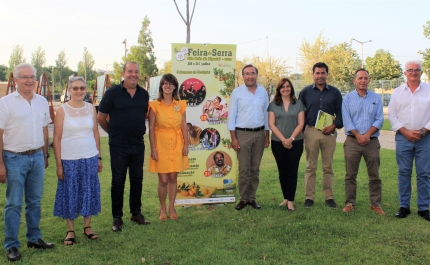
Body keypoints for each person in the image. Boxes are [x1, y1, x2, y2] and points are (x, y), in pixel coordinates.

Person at [0, 63, 54, 262]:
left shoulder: (41, 101)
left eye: (32, 76)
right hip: (14, 158)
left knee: (35, 201)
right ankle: (11, 245)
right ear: (15, 80)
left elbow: (44, 127)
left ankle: (34, 238)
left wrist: (45, 155)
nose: (30, 80)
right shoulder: (5, 103)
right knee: (13, 204)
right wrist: (1, 164)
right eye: (24, 77)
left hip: (37, 157)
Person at [97, 61, 150, 232]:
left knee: (137, 180)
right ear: (123, 73)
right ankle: (117, 217)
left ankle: (136, 213)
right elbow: (100, 117)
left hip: (138, 144)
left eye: (136, 72)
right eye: (130, 71)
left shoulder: (144, 94)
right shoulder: (112, 93)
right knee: (118, 181)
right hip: (118, 145)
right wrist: (112, 132)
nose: (133, 74)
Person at [53, 76, 102, 245]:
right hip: (69, 159)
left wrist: (99, 157)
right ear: (69, 90)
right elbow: (57, 137)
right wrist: (59, 165)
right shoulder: (62, 110)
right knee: (70, 192)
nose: (79, 91)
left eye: (82, 88)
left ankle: (87, 227)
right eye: (75, 88)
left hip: (89, 156)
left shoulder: (90, 109)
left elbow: (95, 133)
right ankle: (70, 230)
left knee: (88, 190)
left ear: (85, 90)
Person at [388, 60, 430, 221]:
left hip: (425, 138)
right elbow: (392, 115)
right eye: (410, 70)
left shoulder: (428, 90)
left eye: (417, 70)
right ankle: (404, 206)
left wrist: (423, 131)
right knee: (404, 172)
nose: (413, 72)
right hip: (403, 137)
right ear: (405, 73)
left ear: (421, 72)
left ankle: (423, 208)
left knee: (424, 174)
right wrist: (405, 132)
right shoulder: (398, 92)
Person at [298, 62, 343, 209]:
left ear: (327, 74)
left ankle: (329, 197)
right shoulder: (305, 92)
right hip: (311, 132)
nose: (320, 76)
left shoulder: (335, 92)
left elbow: (341, 114)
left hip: (329, 134)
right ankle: (309, 198)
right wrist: (303, 131)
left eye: (323, 73)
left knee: (327, 167)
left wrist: (334, 126)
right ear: (313, 74)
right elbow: (300, 114)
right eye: (317, 73)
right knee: (310, 167)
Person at [341, 69, 385, 215]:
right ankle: (350, 203)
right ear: (354, 81)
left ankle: (375, 204)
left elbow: (379, 119)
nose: (363, 81)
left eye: (366, 78)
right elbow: (347, 120)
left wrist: (366, 135)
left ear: (369, 80)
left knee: (374, 175)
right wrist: (358, 135)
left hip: (371, 141)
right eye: (360, 78)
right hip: (353, 141)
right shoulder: (347, 99)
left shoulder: (376, 98)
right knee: (350, 175)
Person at [228, 64, 269, 210]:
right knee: (244, 169)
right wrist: (234, 138)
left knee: (255, 169)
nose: (250, 76)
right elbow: (231, 115)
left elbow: (266, 114)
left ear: (257, 75)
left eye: (252, 73)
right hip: (242, 134)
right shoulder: (237, 93)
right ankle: (243, 199)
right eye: (246, 74)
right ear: (243, 76)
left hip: (259, 133)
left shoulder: (263, 92)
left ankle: (252, 198)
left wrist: (266, 135)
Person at [148, 74, 189, 221]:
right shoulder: (154, 105)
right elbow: (151, 128)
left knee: (173, 177)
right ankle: (162, 208)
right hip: (161, 143)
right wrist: (153, 149)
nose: (168, 86)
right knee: (163, 179)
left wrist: (186, 144)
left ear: (175, 87)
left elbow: (184, 125)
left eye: (171, 84)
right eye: (165, 83)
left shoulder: (181, 104)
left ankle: (172, 207)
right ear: (161, 86)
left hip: (177, 143)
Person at [268, 78, 305, 211]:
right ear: (279, 89)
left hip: (296, 142)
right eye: (282, 87)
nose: (285, 89)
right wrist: (284, 139)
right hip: (278, 143)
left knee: (292, 172)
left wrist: (291, 139)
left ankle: (291, 201)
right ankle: (285, 198)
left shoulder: (298, 103)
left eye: (288, 86)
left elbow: (301, 123)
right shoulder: (273, 105)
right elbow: (271, 124)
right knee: (282, 172)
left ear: (291, 88)